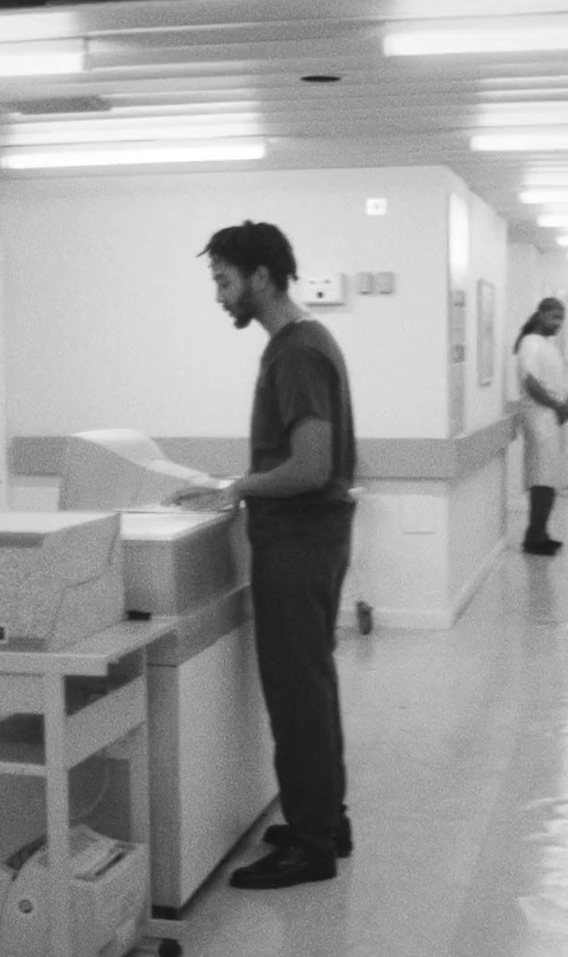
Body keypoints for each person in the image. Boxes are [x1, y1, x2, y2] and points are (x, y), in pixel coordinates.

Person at [168, 220, 357, 890]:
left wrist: (231, 486)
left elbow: (310, 465)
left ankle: (311, 843)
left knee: (296, 693)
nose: (221, 296)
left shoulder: (295, 351)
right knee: (313, 685)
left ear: (262, 277)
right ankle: (325, 817)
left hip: (298, 543)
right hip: (314, 540)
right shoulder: (305, 342)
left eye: (225, 280)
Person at [514, 297, 568, 555]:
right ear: (540, 315)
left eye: (561, 318)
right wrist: (558, 406)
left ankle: (541, 532)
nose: (558, 323)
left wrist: (565, 403)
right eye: (553, 317)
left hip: (549, 418)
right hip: (539, 419)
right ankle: (534, 537)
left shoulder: (546, 345)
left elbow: (554, 380)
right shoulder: (529, 344)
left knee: (548, 479)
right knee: (541, 480)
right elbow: (531, 384)